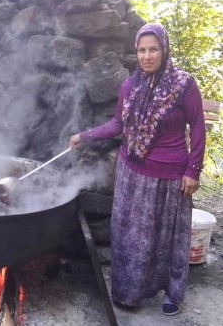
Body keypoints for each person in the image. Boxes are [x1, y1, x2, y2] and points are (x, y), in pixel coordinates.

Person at [69, 23, 206, 316]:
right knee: (130, 236)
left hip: (170, 176)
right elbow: (118, 125)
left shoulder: (184, 85)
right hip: (132, 173)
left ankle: (172, 291)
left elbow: (197, 127)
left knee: (167, 236)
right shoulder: (130, 86)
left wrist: (193, 170)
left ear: (164, 49)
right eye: (142, 50)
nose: (146, 55)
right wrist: (85, 136)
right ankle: (129, 292)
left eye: (153, 49)